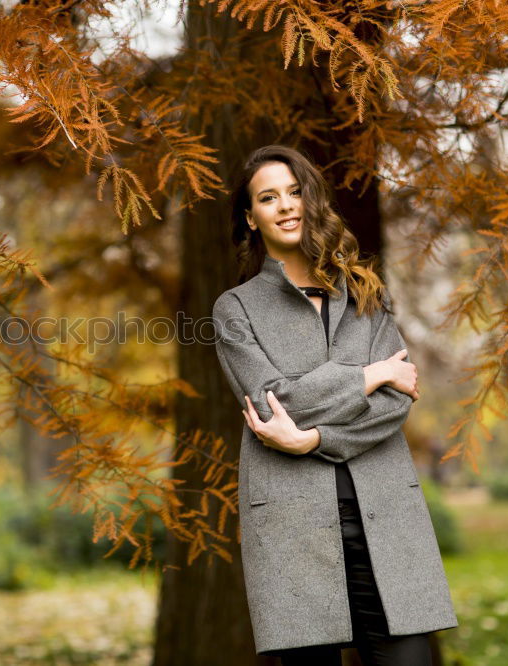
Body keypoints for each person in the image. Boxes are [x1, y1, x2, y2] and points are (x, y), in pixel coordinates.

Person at [211, 145, 458, 665]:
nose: (285, 205)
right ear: (251, 219)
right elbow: (274, 402)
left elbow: (395, 404)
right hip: (291, 526)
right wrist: (371, 374)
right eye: (268, 197)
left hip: (387, 520)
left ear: (312, 201)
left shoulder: (368, 296)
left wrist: (313, 438)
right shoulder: (235, 310)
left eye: (295, 192)